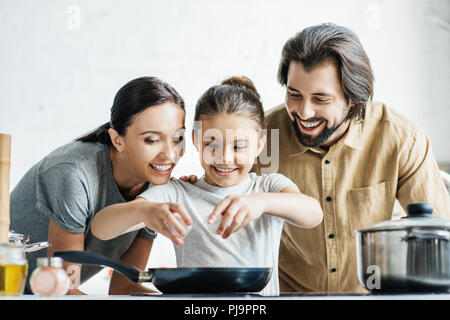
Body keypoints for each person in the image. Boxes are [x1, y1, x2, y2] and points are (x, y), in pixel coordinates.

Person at [252, 23, 450, 294]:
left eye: (321, 99)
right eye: (294, 94)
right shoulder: (261, 137)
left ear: (354, 100)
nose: (304, 112)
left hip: (372, 296)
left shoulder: (400, 138)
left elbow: (438, 236)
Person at [91, 76, 323, 296]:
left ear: (260, 144)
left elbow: (313, 214)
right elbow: (101, 228)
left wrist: (261, 203)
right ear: (195, 141)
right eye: (212, 144)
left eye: (238, 147)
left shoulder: (269, 186)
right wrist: (143, 210)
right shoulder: (178, 193)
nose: (224, 158)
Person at [10, 76, 187, 295]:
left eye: (178, 138)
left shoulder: (156, 183)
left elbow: (124, 286)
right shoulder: (74, 174)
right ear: (117, 139)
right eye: (151, 140)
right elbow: (64, 290)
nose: (170, 155)